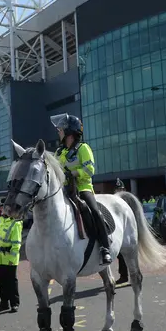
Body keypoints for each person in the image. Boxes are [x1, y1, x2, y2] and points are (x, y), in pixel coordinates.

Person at [51, 113, 111, 264]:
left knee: (94, 211)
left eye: (61, 129)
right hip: (64, 189)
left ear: (69, 131)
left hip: (82, 188)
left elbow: (90, 170)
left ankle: (105, 247)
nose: (58, 132)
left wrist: (72, 173)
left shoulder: (83, 148)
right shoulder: (59, 152)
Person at [0, 215, 23, 313]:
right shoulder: (2, 221)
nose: (3, 210)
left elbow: (16, 243)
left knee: (11, 282)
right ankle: (4, 303)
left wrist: (12, 259)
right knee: (2, 282)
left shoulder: (16, 224)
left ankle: (15, 303)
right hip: (1, 257)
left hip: (10, 258)